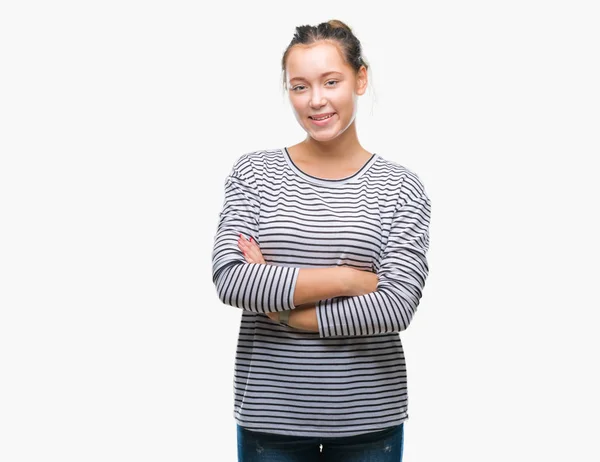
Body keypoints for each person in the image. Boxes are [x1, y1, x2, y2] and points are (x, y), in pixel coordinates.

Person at [211, 19, 431, 462]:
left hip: (369, 415)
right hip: (271, 416)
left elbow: (397, 305)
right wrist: (350, 278)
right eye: (299, 86)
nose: (316, 100)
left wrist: (286, 313)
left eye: (331, 81)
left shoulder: (401, 187)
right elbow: (232, 281)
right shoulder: (254, 174)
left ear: (360, 79)